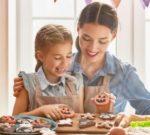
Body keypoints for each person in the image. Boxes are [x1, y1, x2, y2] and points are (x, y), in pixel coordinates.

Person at [13, 2, 150, 118]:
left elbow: (147, 110)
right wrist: (25, 85)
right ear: (78, 29)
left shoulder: (123, 73)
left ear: (113, 36)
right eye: (86, 38)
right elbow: (36, 92)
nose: (92, 47)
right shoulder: (62, 66)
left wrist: (126, 119)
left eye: (102, 41)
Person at [12, 24, 84, 120]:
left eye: (68, 56)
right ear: (41, 56)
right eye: (57, 58)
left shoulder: (76, 81)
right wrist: (40, 111)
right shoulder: (27, 83)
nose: (64, 63)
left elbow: (81, 117)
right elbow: (14, 118)